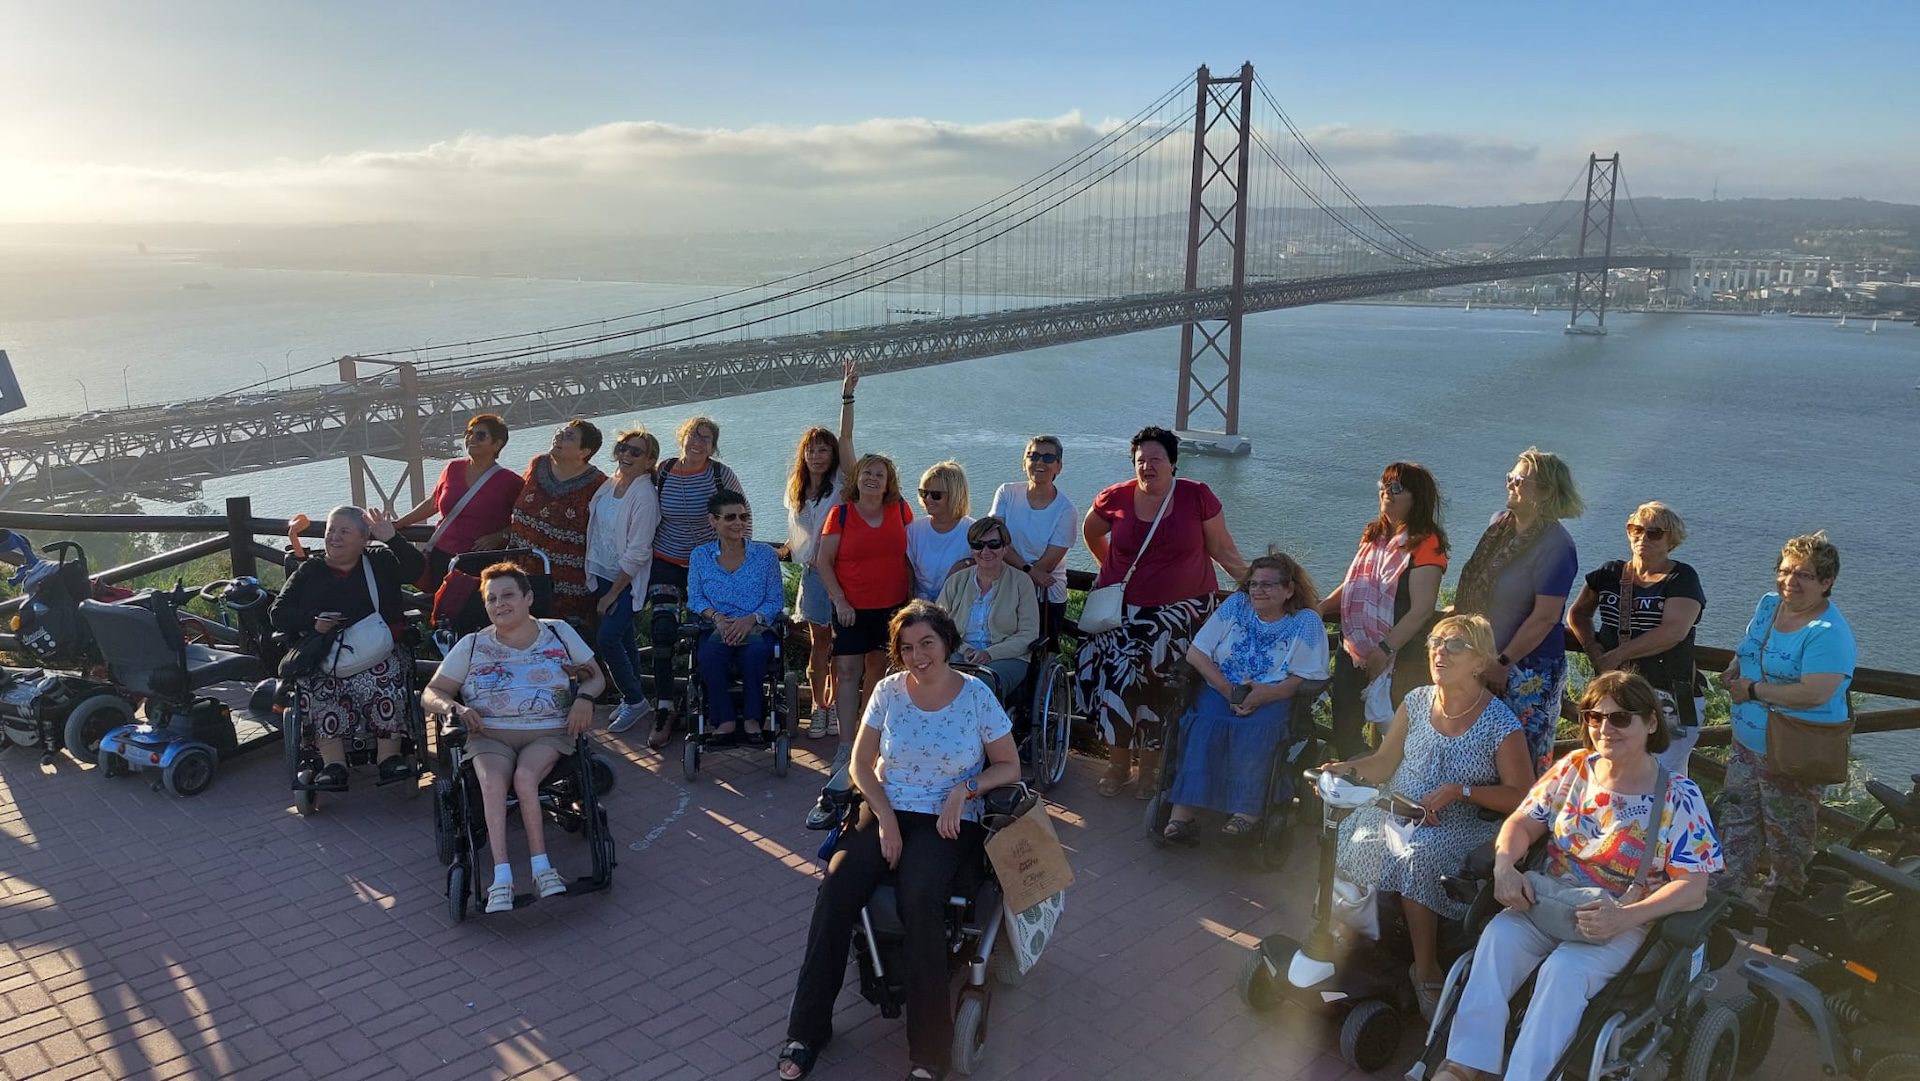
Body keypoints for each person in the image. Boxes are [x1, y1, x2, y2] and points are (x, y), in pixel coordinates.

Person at [1432, 670, 1723, 1081]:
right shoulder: (1573, 769)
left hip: (1621, 919)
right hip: (1549, 900)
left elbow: (1693, 889)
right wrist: (1505, 867)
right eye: (1594, 716)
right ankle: (1465, 1065)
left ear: (1651, 723)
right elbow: (1522, 822)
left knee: (1563, 972)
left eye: (1622, 718)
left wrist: (1625, 917)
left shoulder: (1678, 795)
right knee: (1497, 939)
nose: (1606, 727)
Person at [779, 601, 1022, 1081]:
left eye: (926, 643)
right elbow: (859, 765)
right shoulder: (888, 691)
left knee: (921, 897)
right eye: (907, 647)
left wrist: (965, 789)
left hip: (949, 820)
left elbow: (1009, 766)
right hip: (888, 808)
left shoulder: (976, 696)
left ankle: (928, 1053)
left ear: (946, 642)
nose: (918, 655)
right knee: (836, 888)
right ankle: (807, 1030)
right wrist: (885, 817)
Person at [1323, 614, 1531, 1021]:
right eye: (1436, 642)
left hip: (1458, 820)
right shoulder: (1417, 701)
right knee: (1355, 835)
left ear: (1479, 661)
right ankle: (1353, 943)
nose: (1439, 651)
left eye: (1454, 645)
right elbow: (1383, 764)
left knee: (1417, 856)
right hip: (1399, 806)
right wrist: (1344, 768)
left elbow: (1522, 795)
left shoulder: (1500, 723)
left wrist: (1461, 791)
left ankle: (1426, 968)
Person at [1079, 425, 1248, 799]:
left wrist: (1260, 587)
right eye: (1141, 460)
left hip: (1182, 615)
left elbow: (1222, 550)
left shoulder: (1196, 496)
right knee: (1117, 681)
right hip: (1124, 614)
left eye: (1156, 459)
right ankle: (1118, 764)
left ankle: (1150, 771)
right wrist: (1113, 573)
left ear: (1173, 462)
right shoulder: (1115, 498)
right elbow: (1091, 533)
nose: (1148, 466)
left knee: (1158, 685)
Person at [422, 562, 601, 914]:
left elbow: (596, 677)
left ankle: (541, 868)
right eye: (492, 599)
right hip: (489, 734)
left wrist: (584, 697)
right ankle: (501, 877)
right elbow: (431, 692)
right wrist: (456, 709)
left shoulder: (560, 633)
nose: (499, 604)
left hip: (547, 732)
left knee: (525, 777)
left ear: (528, 598)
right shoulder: (472, 645)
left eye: (508, 596)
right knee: (490, 782)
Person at [1717, 530, 1856, 900]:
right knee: (1737, 826)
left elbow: (1815, 692)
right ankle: (1724, 904)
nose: (1789, 581)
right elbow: (1751, 646)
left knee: (1788, 840)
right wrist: (1735, 667)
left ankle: (1781, 912)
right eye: (1784, 571)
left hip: (1794, 754)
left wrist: (1753, 690)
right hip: (1746, 744)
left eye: (1804, 575)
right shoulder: (1768, 604)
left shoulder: (1827, 632)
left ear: (1827, 582)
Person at [1162, 552, 1330, 841]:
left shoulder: (1306, 622)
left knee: (1257, 730)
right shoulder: (1236, 605)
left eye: (1267, 585)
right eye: (1253, 584)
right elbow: (1196, 653)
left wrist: (1266, 695)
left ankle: (1246, 812)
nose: (1257, 590)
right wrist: (1228, 691)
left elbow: (1304, 676)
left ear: (1289, 590)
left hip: (1273, 693)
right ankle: (1182, 814)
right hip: (1223, 686)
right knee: (1203, 723)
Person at [269, 505, 426, 790]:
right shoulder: (311, 570)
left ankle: (388, 757)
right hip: (328, 652)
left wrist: (392, 538)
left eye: (344, 531)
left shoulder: (379, 561)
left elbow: (418, 571)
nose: (334, 537)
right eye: (330, 531)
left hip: (378, 650)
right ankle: (333, 764)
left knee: (384, 675)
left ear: (365, 539)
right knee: (319, 684)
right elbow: (278, 612)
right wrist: (312, 622)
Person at [1451, 447, 1583, 772]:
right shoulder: (1500, 525)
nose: (1511, 484)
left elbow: (1546, 616)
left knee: (1524, 757)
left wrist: (1503, 662)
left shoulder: (1557, 546)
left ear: (1546, 492)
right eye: (1510, 477)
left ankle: (1526, 823)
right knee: (1480, 753)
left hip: (1526, 671)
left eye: (1520, 480)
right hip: (1483, 659)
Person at [1319, 462, 1450, 760]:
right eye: (1383, 486)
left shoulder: (1427, 543)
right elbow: (1355, 585)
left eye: (1396, 488)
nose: (1385, 493)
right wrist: (1322, 607)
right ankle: (1353, 798)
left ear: (1417, 497)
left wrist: (1385, 648)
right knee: (1346, 730)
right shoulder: (1375, 536)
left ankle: (1389, 800)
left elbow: (1422, 608)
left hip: (1400, 655)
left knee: (1397, 738)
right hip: (1353, 649)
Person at [1566, 501, 1706, 776]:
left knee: (1661, 775)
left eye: (1654, 533)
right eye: (1636, 529)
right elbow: (1578, 614)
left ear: (1671, 540)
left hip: (1668, 697)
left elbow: (1673, 632)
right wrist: (1592, 647)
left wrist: (1616, 655)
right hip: (1617, 696)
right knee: (1613, 771)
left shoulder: (1681, 577)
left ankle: (1667, 819)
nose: (1643, 538)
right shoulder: (1609, 574)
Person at [643, 415, 744, 749]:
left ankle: (708, 701)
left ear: (713, 446)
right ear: (681, 437)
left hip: (708, 565)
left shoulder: (720, 474)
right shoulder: (664, 472)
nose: (698, 442)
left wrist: (741, 561)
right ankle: (664, 707)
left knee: (708, 631)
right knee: (662, 631)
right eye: (693, 435)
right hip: (667, 562)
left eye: (706, 438)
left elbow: (742, 516)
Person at [814, 453, 914, 774]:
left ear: (889, 483)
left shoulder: (900, 509)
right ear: (856, 477)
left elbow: (914, 554)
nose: (872, 478)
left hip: (893, 608)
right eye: (867, 472)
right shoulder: (840, 514)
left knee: (878, 672)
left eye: (880, 475)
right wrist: (840, 601)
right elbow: (823, 561)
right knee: (846, 671)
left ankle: (865, 740)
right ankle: (845, 746)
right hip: (851, 609)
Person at [785, 362, 860, 740]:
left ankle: (835, 703)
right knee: (820, 644)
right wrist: (781, 551)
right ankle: (819, 706)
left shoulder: (844, 484)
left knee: (843, 644)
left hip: (844, 572)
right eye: (811, 450)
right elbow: (799, 535)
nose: (817, 456)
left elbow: (847, 437)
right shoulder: (797, 489)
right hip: (814, 576)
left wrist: (846, 395)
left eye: (823, 450)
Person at [687, 490, 786, 745]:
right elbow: (696, 598)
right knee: (709, 656)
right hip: (716, 626)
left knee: (753, 654)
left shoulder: (764, 555)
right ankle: (725, 720)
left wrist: (750, 620)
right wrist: (718, 618)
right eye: (730, 518)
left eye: (743, 517)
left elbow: (775, 600)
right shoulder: (700, 556)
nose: (739, 523)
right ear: (713, 521)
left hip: (755, 627)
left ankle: (753, 719)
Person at [394, 413, 523, 591]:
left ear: (497, 444)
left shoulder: (510, 481)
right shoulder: (452, 468)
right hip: (441, 557)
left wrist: (499, 536)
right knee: (440, 611)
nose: (471, 439)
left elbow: (526, 520)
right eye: (468, 433)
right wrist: (399, 523)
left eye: (480, 435)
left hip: (480, 563)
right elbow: (433, 503)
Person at [588, 427, 662, 734]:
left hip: (626, 581)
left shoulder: (645, 496)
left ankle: (634, 699)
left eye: (636, 452)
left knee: (607, 639)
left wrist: (612, 594)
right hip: (604, 574)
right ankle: (633, 696)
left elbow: (638, 552)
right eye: (623, 448)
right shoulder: (609, 484)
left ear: (649, 461)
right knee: (625, 638)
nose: (626, 455)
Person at [506, 418, 607, 629]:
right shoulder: (538, 465)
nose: (559, 436)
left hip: (568, 588)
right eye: (561, 431)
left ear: (584, 452)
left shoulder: (600, 485)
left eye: (569, 436)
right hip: (520, 576)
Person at [933, 516, 1040, 703]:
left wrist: (990, 653)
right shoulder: (956, 581)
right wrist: (964, 649)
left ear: (1005, 548)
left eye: (993, 544)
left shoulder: (1021, 583)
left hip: (1007, 657)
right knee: (931, 675)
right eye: (978, 545)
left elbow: (1028, 634)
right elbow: (938, 626)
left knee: (980, 685)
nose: (985, 551)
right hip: (959, 652)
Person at [987, 435, 1076, 641]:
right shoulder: (1006, 492)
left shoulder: (1066, 510)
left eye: (1047, 458)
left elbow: (1047, 564)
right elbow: (995, 539)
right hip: (1004, 588)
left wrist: (1025, 571)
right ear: (1023, 462)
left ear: (1058, 467)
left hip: (1045, 595)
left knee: (1043, 652)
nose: (1039, 462)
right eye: (1033, 455)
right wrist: (1029, 569)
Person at [905, 459, 974, 602]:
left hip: (958, 605)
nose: (928, 499)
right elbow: (908, 573)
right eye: (924, 493)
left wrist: (967, 564)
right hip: (921, 606)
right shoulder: (914, 530)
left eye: (936, 495)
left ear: (955, 495)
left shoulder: (973, 532)